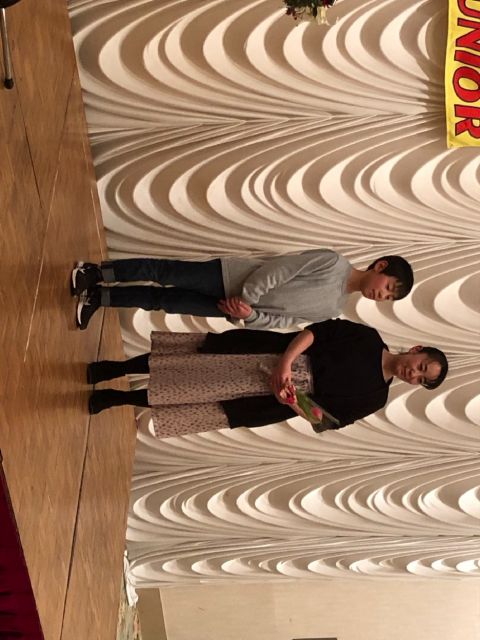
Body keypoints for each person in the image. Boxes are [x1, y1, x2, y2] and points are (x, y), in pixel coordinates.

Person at [86, 319, 448, 438]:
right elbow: (316, 332)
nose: (413, 373)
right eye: (421, 365)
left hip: (272, 400)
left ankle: (116, 399)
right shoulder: (368, 338)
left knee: (190, 396)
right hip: (273, 355)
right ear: (417, 349)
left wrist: (290, 400)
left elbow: (326, 420)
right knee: (189, 365)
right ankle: (114, 369)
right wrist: (285, 365)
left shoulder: (375, 397)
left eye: (421, 379)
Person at [72, 250, 414, 330]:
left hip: (232, 309)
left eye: (388, 298)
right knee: (164, 273)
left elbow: (284, 322)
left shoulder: (333, 310)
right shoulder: (333, 262)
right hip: (227, 277)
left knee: (162, 301)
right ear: (380, 266)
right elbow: (281, 269)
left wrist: (249, 315)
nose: (382, 296)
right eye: (387, 287)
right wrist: (247, 298)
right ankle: (97, 272)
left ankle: (100, 298)